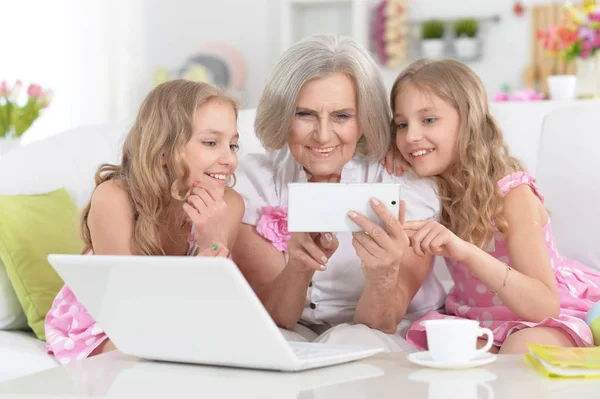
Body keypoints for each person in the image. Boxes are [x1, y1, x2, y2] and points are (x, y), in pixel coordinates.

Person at [231, 35, 446, 352]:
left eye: (342, 116)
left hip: (384, 335)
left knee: (350, 339)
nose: (322, 135)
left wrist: (383, 274)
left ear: (364, 120)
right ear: (282, 115)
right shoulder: (254, 181)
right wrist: (298, 267)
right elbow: (276, 318)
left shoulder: (405, 186)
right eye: (304, 114)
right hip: (292, 332)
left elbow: (383, 324)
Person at [387, 59, 600, 353]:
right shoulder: (427, 190)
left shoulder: (512, 193)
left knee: (521, 348)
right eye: (401, 124)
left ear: (468, 121)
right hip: (476, 320)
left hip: (548, 315)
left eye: (429, 120)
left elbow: (544, 306)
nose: (410, 136)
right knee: (444, 351)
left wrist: (468, 252)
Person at [45, 80, 244, 364]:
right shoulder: (114, 199)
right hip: (109, 321)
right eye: (211, 142)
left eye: (233, 144)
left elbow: (210, 307)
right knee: (145, 356)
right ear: (163, 150)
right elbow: (126, 315)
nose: (229, 159)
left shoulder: (230, 205)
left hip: (182, 319)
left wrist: (212, 243)